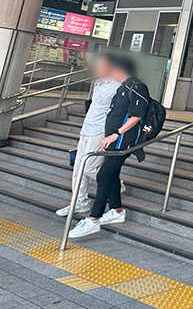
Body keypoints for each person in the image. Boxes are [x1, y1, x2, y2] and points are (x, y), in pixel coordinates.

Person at [67, 54, 150, 239]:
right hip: (113, 140)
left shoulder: (137, 87)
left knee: (104, 174)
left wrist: (116, 134)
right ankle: (117, 210)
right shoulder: (123, 87)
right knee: (110, 174)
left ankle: (93, 219)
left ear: (121, 69)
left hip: (123, 142)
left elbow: (137, 115)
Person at [55, 54, 119, 216]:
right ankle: (79, 202)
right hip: (87, 129)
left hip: (100, 131)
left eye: (101, 64)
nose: (97, 67)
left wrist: (113, 133)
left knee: (89, 166)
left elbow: (120, 111)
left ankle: (114, 184)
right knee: (78, 169)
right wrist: (83, 130)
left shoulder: (117, 85)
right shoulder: (98, 82)